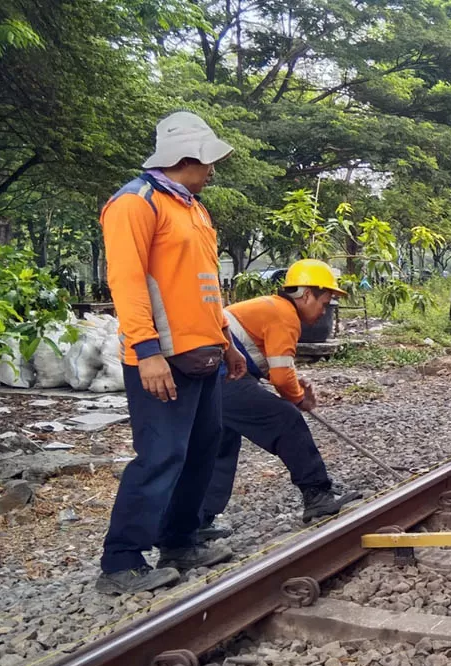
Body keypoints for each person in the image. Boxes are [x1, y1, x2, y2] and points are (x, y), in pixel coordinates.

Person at [97, 111, 248, 595]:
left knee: (202, 450)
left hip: (204, 351)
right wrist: (147, 352)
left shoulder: (194, 208)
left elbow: (203, 286)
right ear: (187, 158)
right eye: (209, 161)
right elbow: (128, 283)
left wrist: (226, 342)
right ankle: (121, 561)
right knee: (160, 456)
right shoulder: (134, 203)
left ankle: (180, 540)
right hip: (162, 357)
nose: (213, 170)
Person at [197, 260, 361, 536]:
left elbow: (278, 371)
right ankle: (317, 494)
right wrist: (298, 399)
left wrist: (293, 388)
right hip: (223, 373)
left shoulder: (272, 308)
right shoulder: (285, 315)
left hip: (211, 371)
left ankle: (197, 522)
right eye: (324, 302)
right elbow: (282, 377)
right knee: (285, 419)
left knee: (219, 445)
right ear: (306, 295)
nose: (324, 312)